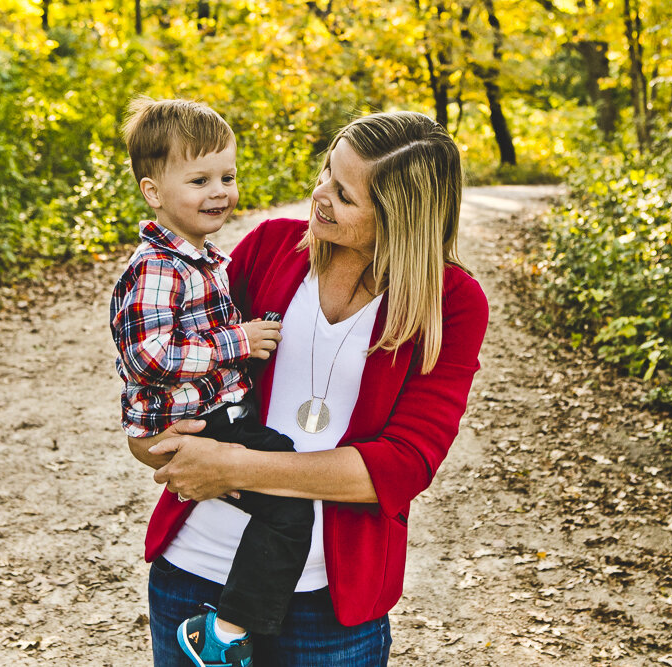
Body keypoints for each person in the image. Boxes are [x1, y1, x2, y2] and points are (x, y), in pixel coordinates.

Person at [129, 110, 489, 666]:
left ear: (401, 218)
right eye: (326, 172)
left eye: (344, 195)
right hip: (196, 571)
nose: (320, 195)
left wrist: (234, 468)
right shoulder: (269, 248)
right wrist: (156, 440)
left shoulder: (451, 305)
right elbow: (169, 378)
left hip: (330, 603)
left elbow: (403, 465)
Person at [110, 97, 319, 667]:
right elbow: (147, 360)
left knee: (283, 482)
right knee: (290, 500)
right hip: (193, 422)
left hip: (213, 413)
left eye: (227, 176)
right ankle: (224, 632)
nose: (219, 191)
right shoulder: (158, 267)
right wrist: (239, 342)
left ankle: (233, 623)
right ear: (154, 191)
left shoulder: (202, 260)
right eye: (199, 179)